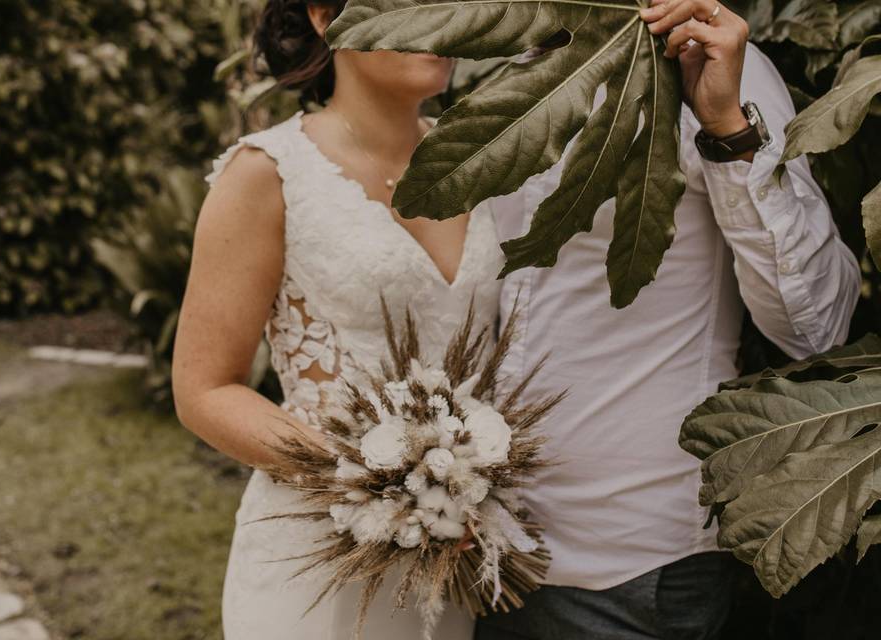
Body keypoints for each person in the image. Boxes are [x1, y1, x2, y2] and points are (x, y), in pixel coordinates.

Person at [474, 0, 862, 639]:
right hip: (490, 540)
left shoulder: (723, 70)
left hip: (628, 565)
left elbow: (816, 329)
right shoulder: (526, 66)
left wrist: (728, 130)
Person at [170, 0, 502, 638]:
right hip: (315, 567)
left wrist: (455, 484)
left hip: (454, 559)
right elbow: (203, 388)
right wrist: (379, 483)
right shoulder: (266, 174)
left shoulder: (482, 162)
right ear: (326, 16)